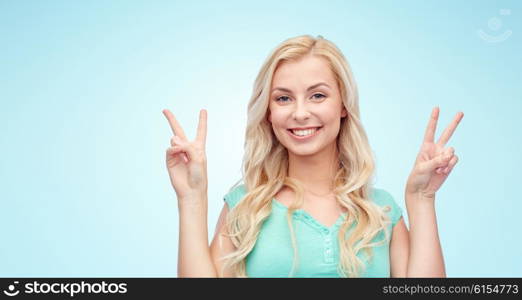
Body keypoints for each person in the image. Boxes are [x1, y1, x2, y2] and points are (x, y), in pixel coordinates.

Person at [162, 35, 464, 278]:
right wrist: (191, 198)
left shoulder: (381, 211)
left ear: (343, 104)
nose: (300, 113)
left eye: (318, 95)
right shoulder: (244, 207)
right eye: (283, 98)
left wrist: (422, 198)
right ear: (268, 112)